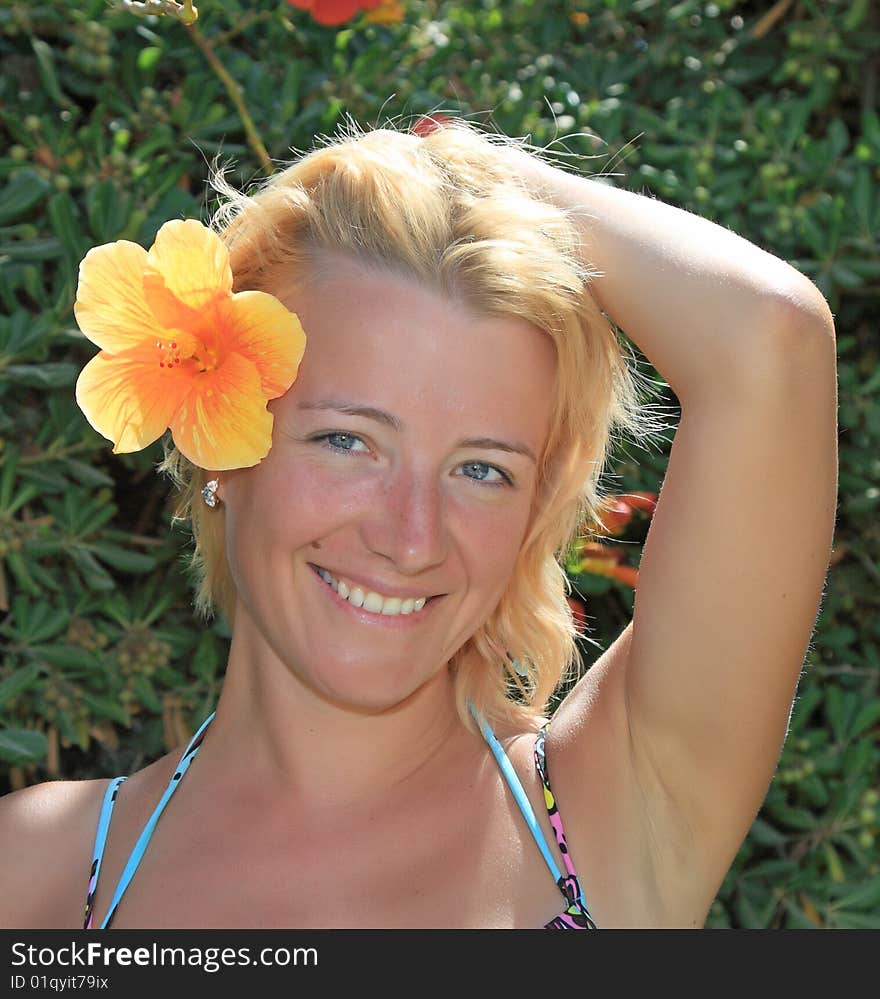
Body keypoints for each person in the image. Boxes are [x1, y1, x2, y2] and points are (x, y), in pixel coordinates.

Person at [0, 116, 838, 929]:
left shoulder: (617, 809)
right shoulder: (41, 869)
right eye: (347, 440)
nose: (410, 537)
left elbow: (771, 337)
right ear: (222, 444)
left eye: (482, 470)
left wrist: (465, 164)